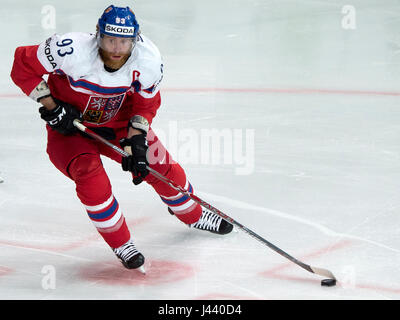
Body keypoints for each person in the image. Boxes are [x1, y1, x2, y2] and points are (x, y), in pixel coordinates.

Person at [10, 5, 233, 271]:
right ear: (98, 35)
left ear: (135, 39)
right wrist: (52, 106)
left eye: (124, 41)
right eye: (111, 39)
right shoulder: (69, 49)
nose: (117, 48)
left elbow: (145, 104)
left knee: (160, 166)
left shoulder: (148, 60)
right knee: (90, 176)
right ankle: (121, 243)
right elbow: (22, 65)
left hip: (118, 125)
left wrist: (137, 140)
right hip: (70, 131)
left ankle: (193, 214)